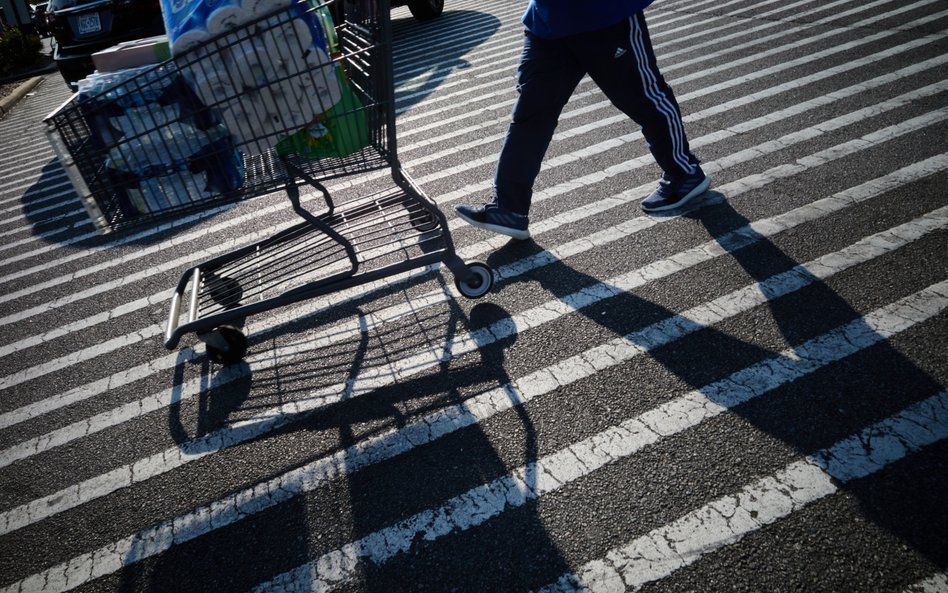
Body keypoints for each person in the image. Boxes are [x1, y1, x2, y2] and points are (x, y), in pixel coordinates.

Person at [455, 0, 710, 240]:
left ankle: (683, 173)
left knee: (644, 98)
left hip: (605, 15)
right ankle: (509, 208)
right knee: (531, 113)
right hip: (549, 22)